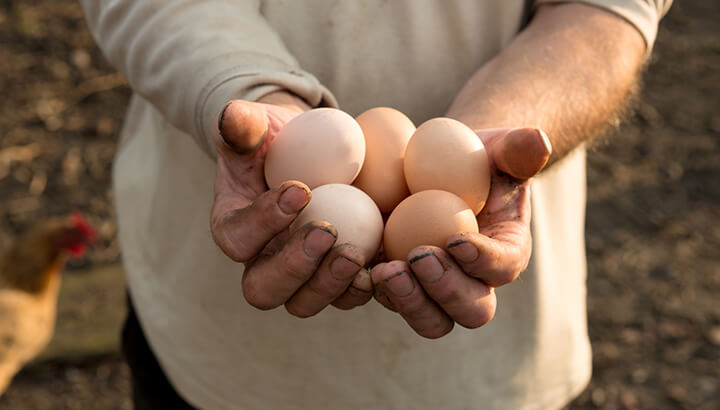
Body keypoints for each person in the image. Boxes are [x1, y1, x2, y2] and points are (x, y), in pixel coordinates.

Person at [80, 1, 671, 409]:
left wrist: (494, 142)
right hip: (216, 341)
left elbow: (602, 12)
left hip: (493, 366)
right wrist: (252, 100)